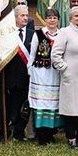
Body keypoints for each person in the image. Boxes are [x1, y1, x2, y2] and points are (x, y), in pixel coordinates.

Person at [51, 6, 78, 148]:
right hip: (71, 77)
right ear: (70, 18)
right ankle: (71, 137)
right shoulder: (65, 32)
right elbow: (55, 55)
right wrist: (65, 69)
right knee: (70, 110)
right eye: (77, 16)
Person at [27, 9, 64, 145]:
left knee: (54, 103)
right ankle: (41, 134)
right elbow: (32, 54)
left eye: (55, 17)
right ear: (45, 19)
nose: (52, 20)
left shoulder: (62, 34)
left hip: (56, 74)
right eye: (49, 17)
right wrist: (29, 70)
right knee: (41, 103)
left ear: (58, 20)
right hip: (40, 74)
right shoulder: (38, 34)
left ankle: (51, 132)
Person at [0, 5, 33, 141]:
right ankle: (3, 132)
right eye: (22, 15)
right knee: (5, 105)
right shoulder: (7, 34)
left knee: (22, 105)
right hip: (8, 76)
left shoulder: (32, 34)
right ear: (15, 18)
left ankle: (19, 132)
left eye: (26, 15)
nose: (25, 18)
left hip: (25, 76)